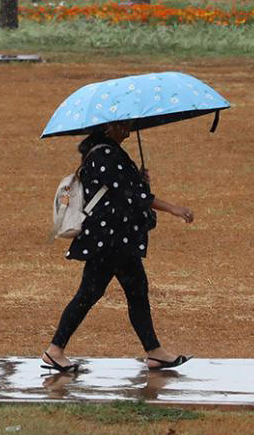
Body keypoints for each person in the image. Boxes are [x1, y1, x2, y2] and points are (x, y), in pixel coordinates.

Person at [42, 121, 195, 373]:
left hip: (115, 238)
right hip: (110, 239)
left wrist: (140, 178)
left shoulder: (107, 152)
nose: (128, 130)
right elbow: (131, 194)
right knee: (96, 294)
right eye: (123, 126)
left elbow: (126, 188)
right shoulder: (105, 154)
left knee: (129, 291)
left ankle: (153, 351)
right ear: (109, 127)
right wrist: (174, 209)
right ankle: (55, 350)